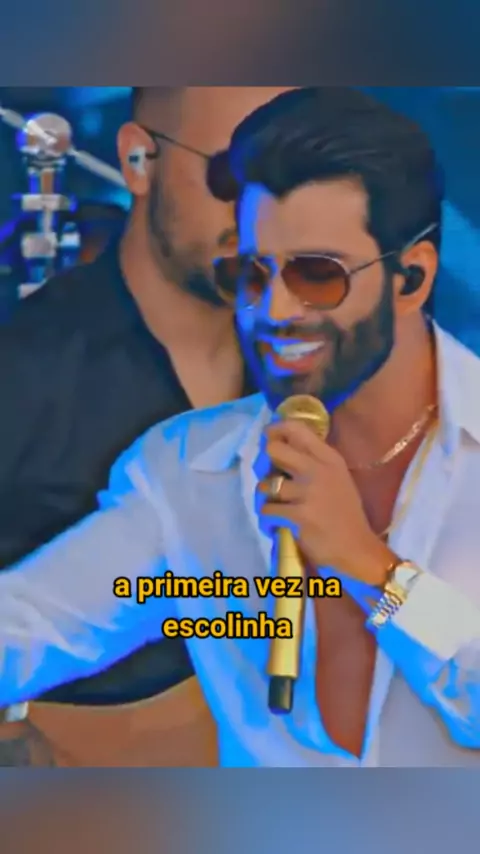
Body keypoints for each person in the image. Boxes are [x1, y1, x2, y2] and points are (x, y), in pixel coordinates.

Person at [1, 86, 479, 767]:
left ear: (411, 279)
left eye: (317, 275)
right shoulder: (192, 469)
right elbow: (28, 625)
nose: (273, 311)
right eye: (252, 275)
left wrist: (369, 569)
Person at [0, 86, 291, 766]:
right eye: (233, 175)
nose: (264, 214)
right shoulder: (26, 367)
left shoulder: (330, 365)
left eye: (293, 179)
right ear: (137, 160)